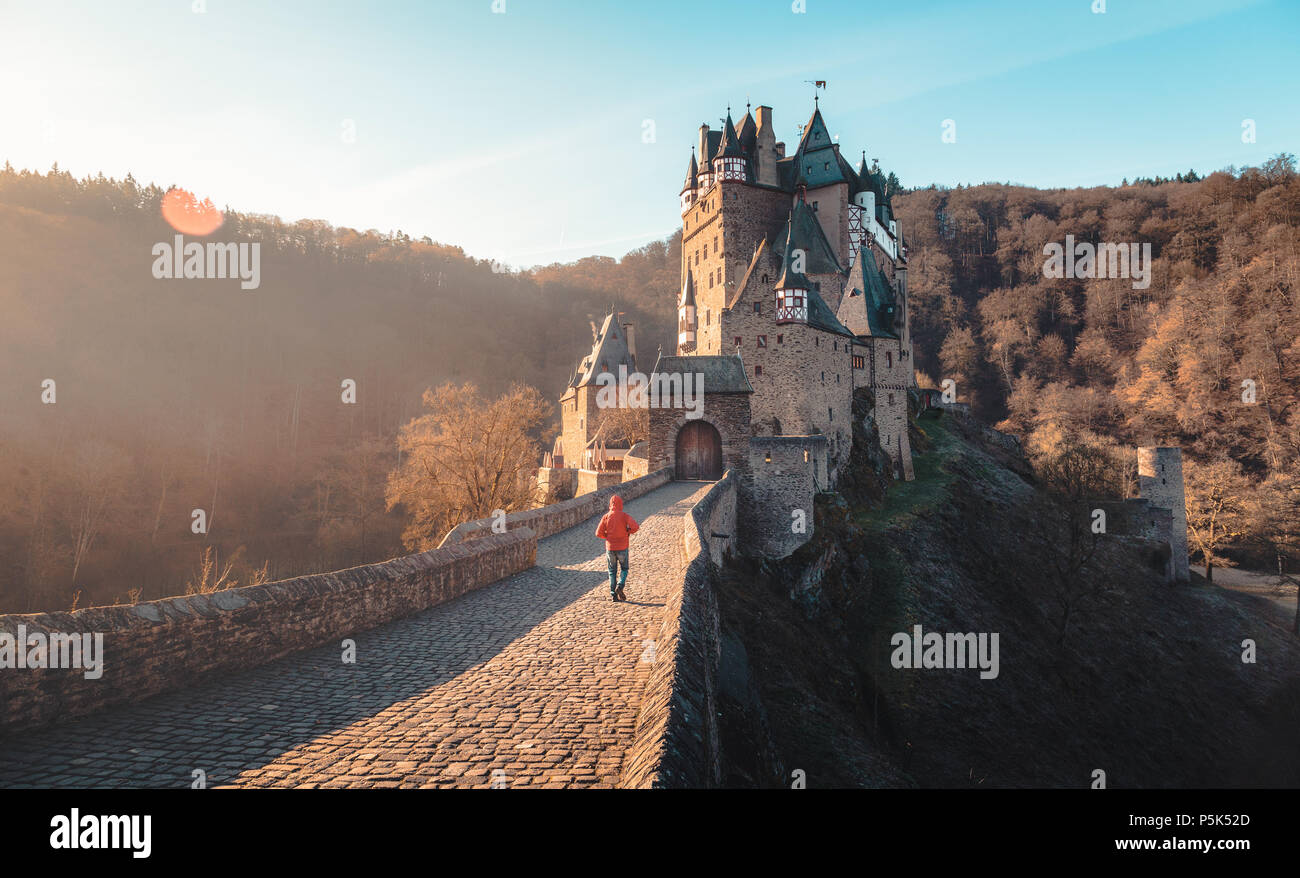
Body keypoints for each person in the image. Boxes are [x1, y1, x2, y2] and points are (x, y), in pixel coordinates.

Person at [595, 494, 639, 601]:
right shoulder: (624, 516)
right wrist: (628, 532)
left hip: (610, 548)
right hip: (622, 547)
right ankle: (620, 585)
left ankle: (613, 594)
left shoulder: (606, 516)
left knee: (612, 571)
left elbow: (598, 533)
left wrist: (607, 536)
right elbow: (635, 527)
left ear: (610, 504)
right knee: (624, 568)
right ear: (621, 504)